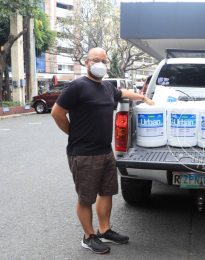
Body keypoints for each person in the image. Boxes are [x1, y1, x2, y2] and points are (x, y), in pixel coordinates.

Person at [51, 47, 155, 254]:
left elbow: (123, 92)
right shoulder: (77, 86)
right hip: (83, 153)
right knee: (86, 197)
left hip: (105, 151)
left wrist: (144, 98)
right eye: (95, 60)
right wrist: (73, 133)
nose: (100, 64)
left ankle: (104, 230)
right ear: (87, 62)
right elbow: (57, 113)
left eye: (103, 61)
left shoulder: (107, 88)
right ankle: (88, 236)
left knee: (106, 192)